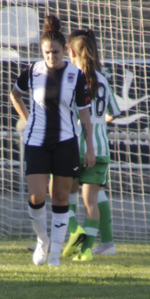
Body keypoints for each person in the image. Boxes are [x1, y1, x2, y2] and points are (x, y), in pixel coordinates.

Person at [10, 15, 95, 267]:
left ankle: (55, 253)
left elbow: (85, 117)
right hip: (36, 142)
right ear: (42, 50)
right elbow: (15, 95)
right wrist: (27, 119)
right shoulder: (32, 71)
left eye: (55, 52)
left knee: (60, 198)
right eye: (47, 52)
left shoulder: (76, 76)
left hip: (66, 143)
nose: (51, 57)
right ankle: (42, 241)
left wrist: (89, 148)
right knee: (36, 197)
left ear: (63, 51)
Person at [60, 28, 120, 261]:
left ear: (74, 53)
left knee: (61, 190)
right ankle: (87, 249)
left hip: (74, 144)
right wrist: (99, 123)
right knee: (91, 201)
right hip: (100, 148)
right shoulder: (103, 79)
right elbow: (114, 112)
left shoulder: (72, 77)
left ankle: (75, 231)